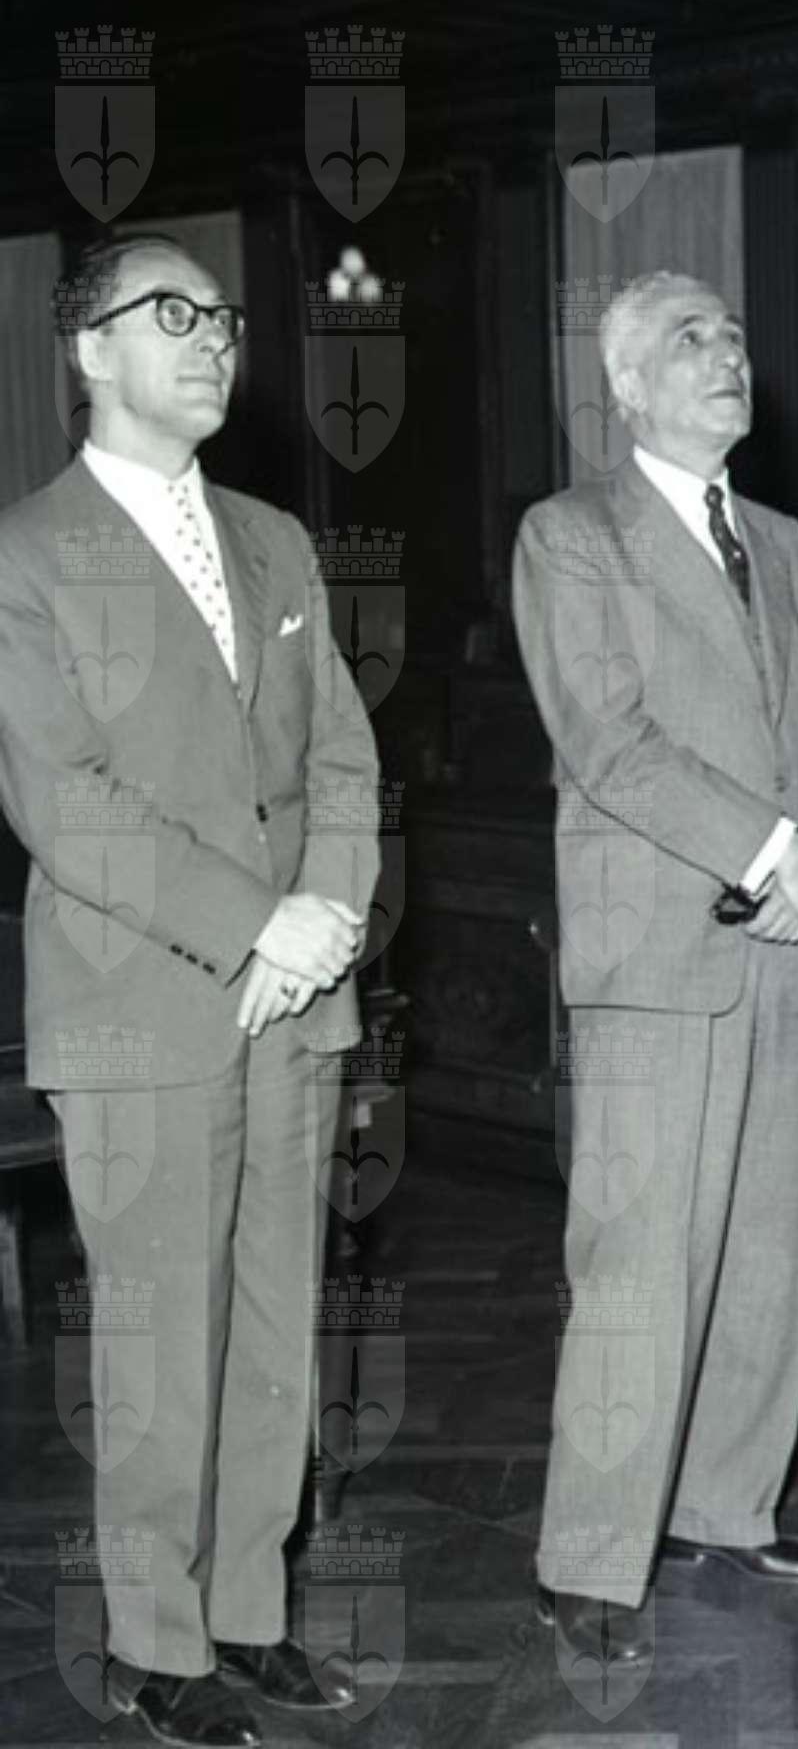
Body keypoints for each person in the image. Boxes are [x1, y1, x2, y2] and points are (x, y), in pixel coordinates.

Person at [0, 235, 379, 1747]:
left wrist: (324, 917)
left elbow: (340, 752)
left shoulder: (274, 540)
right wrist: (256, 923)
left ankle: (247, 1614)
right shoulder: (27, 551)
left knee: (277, 1322)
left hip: (295, 995)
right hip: (140, 1004)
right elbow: (62, 798)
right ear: (89, 349)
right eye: (173, 315)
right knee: (161, 1339)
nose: (214, 337)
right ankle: (156, 1646)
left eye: (221, 316)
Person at [513, 271, 798, 1659]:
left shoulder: (779, 542)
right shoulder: (571, 534)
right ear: (625, 388)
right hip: (660, 951)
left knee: (772, 1244)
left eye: (730, 334)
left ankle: (725, 1501)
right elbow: (608, 741)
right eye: (688, 341)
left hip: (790, 944)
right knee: (637, 1258)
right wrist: (775, 852)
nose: (727, 355)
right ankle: (591, 1556)